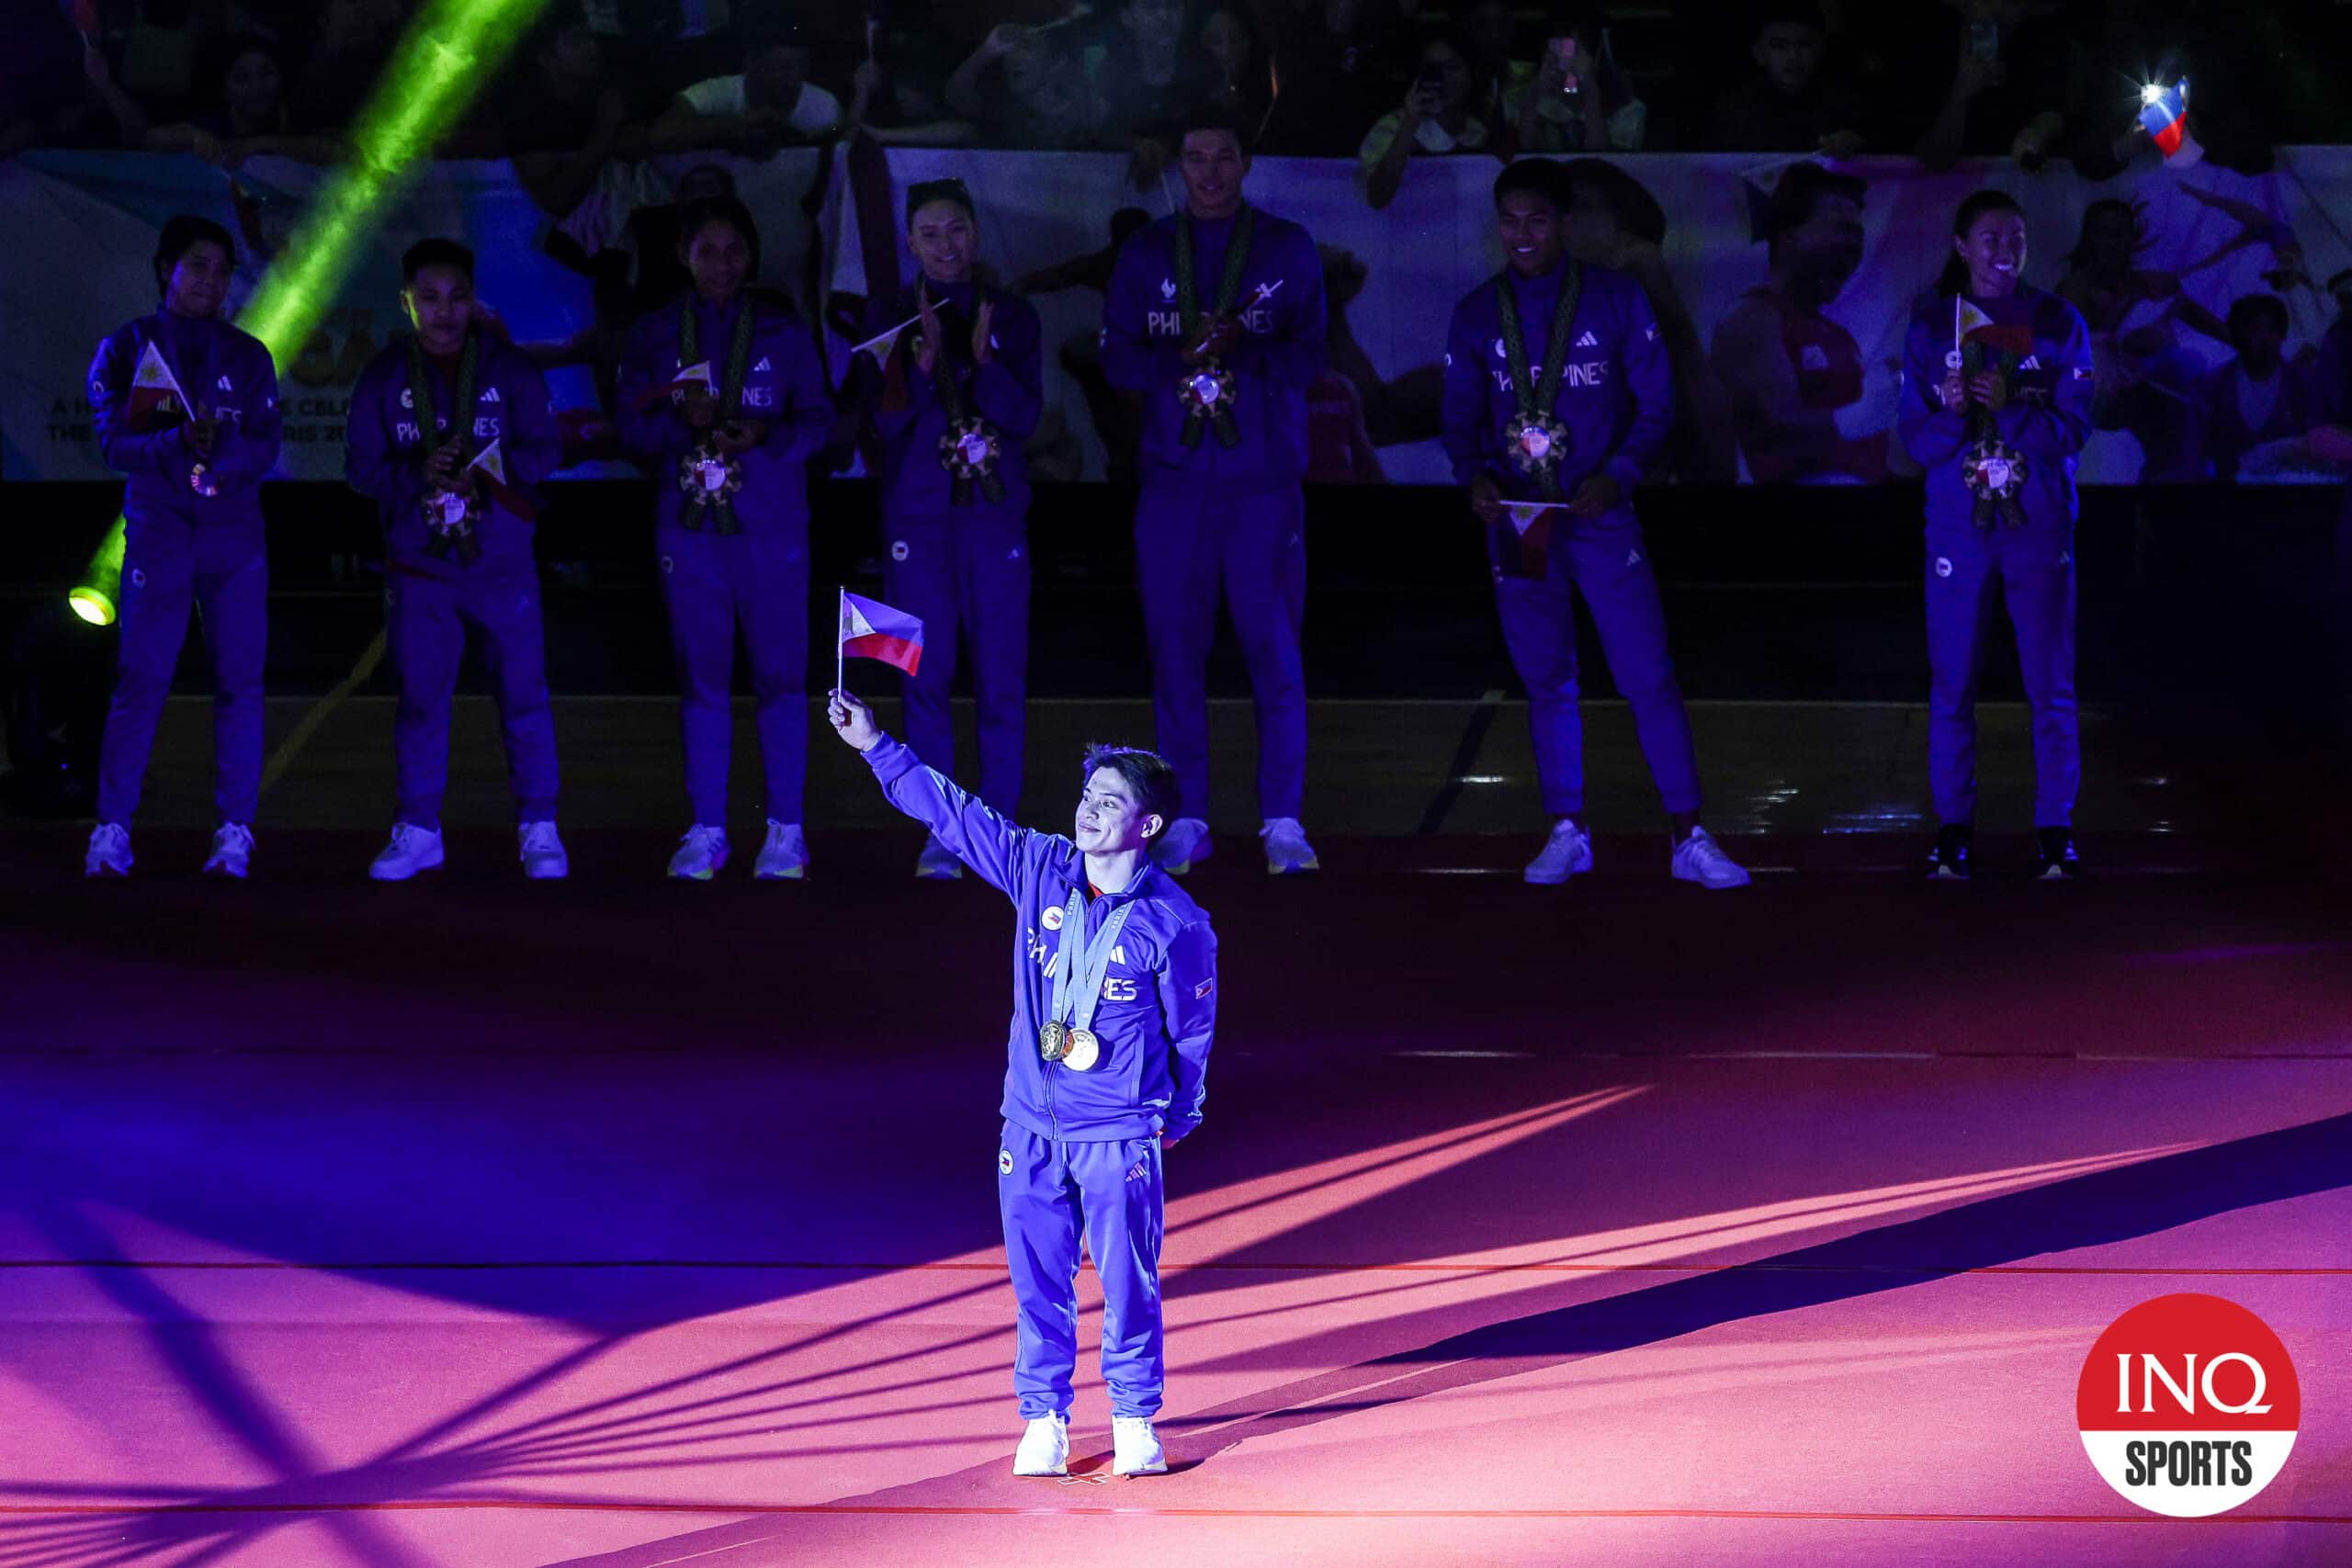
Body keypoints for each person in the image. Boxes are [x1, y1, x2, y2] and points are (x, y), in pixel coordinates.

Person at [825, 688, 1215, 1482]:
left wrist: (1171, 1114)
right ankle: (1044, 1416)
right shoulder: (1040, 867)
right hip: (1030, 1124)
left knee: (1128, 1280)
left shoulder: (1177, 923)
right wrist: (876, 745)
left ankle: (1135, 1415)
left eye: (1111, 802)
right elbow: (957, 814)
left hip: (1116, 1131)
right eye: (1086, 795)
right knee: (1037, 1279)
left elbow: (1191, 1036)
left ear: (1147, 826)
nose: (1089, 811)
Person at [1442, 161, 1750, 891]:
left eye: (1537, 220)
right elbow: (1458, 421)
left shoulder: (1615, 298)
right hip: (1521, 520)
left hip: (1600, 514)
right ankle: (1568, 829)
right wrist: (1476, 478)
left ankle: (1689, 834)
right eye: (1510, 220)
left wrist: (1621, 475)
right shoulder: (1479, 312)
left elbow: (1656, 407)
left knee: (1646, 672)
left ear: (1564, 224)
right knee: (1547, 675)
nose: (1522, 234)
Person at [1101, 107, 1328, 874]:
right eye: (1194, 157)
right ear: (1177, 165)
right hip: (1172, 486)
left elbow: (1311, 359)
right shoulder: (1146, 250)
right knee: (1175, 656)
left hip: (1260, 487)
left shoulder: (1286, 248)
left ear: (1245, 164)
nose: (1208, 172)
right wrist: (1178, 356)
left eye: (1222, 157)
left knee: (1275, 653)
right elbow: (1118, 363)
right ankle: (1185, 816)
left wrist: (1247, 346)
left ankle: (1283, 819)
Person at [618, 196, 835, 880]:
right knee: (702, 680)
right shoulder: (654, 335)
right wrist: (682, 422)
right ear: (683, 254)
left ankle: (785, 831)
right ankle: (707, 828)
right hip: (689, 532)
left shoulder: (783, 333)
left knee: (780, 679)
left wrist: (765, 435)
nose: (722, 264)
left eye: (735, 251)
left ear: (751, 257)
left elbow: (821, 424)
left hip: (770, 529)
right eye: (707, 251)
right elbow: (630, 431)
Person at [345, 238, 569, 882]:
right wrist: (418, 471)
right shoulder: (385, 375)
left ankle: (540, 827)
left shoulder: (510, 370)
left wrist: (486, 466)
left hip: (501, 565)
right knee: (419, 700)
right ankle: (418, 830)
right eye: (430, 298)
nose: (445, 312)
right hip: (421, 571)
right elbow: (361, 469)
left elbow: (546, 451)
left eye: (458, 297)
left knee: (524, 695)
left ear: (475, 300)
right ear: (407, 302)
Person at [1899, 190, 2095, 881]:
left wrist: (2011, 412)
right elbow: (1915, 444)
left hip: (2038, 524)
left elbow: (2074, 430)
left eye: (2015, 236)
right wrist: (1952, 416)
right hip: (1959, 529)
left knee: (2050, 681)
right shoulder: (1931, 329)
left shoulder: (2058, 321)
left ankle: (2055, 828)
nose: (2004, 249)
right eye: (1989, 237)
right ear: (1960, 246)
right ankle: (1953, 828)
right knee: (1952, 681)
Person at [84, 215, 282, 880]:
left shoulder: (249, 355)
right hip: (160, 536)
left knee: (240, 685)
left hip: (235, 544)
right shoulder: (125, 347)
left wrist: (219, 453)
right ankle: (111, 830)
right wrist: (173, 444)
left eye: (222, 270)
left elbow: (265, 444)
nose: (210, 281)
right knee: (141, 681)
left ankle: (235, 832)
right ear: (166, 268)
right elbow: (114, 443)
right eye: (197, 265)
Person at [868, 179, 1044, 879]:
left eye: (958, 230)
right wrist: (915, 369)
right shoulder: (886, 317)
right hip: (915, 525)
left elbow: (1025, 419)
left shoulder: (1013, 315)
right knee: (922, 678)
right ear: (911, 243)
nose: (947, 245)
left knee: (1001, 675)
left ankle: (996, 830)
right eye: (931, 233)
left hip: (994, 521)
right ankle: (941, 834)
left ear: (976, 233)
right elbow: (876, 426)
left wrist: (982, 363)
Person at [1710, 161, 1885, 484]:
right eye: (1842, 230)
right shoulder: (1751, 318)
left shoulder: (1839, 337)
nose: (1854, 246)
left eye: (1858, 235)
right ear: (1790, 235)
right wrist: (1877, 408)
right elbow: (1778, 426)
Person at [2058, 199, 2227, 483]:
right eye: (2103, 233)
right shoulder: (2074, 290)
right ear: (2091, 238)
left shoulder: (2158, 284)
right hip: (2100, 390)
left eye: (2119, 232)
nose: (2111, 243)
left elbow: (2201, 319)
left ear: (2132, 237)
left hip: (2157, 379)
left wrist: (2242, 343)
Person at [651, 14, 844, 153]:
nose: (794, 76)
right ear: (751, 63)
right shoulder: (715, 93)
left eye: (802, 66)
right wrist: (736, 123)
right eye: (783, 67)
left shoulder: (825, 108)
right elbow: (659, 136)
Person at [1357, 28, 1495, 212]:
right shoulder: (1393, 125)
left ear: (1472, 72)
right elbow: (1378, 197)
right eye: (1434, 69)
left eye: (1453, 68)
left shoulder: (1479, 128)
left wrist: (1442, 118)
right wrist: (1410, 122)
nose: (1444, 78)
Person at [1708, 3, 1869, 154]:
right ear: (1758, 53)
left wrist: (1854, 144)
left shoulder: (1845, 103)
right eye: (1780, 46)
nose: (1794, 57)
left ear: (1819, 48)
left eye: (1804, 44)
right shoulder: (1734, 109)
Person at [2191, 295, 2317, 483]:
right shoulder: (2212, 387)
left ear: (2282, 335)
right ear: (2238, 335)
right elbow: (2192, 451)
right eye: (2255, 330)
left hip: (2294, 494)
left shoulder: (2303, 383)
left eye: (2272, 330)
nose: (2265, 339)